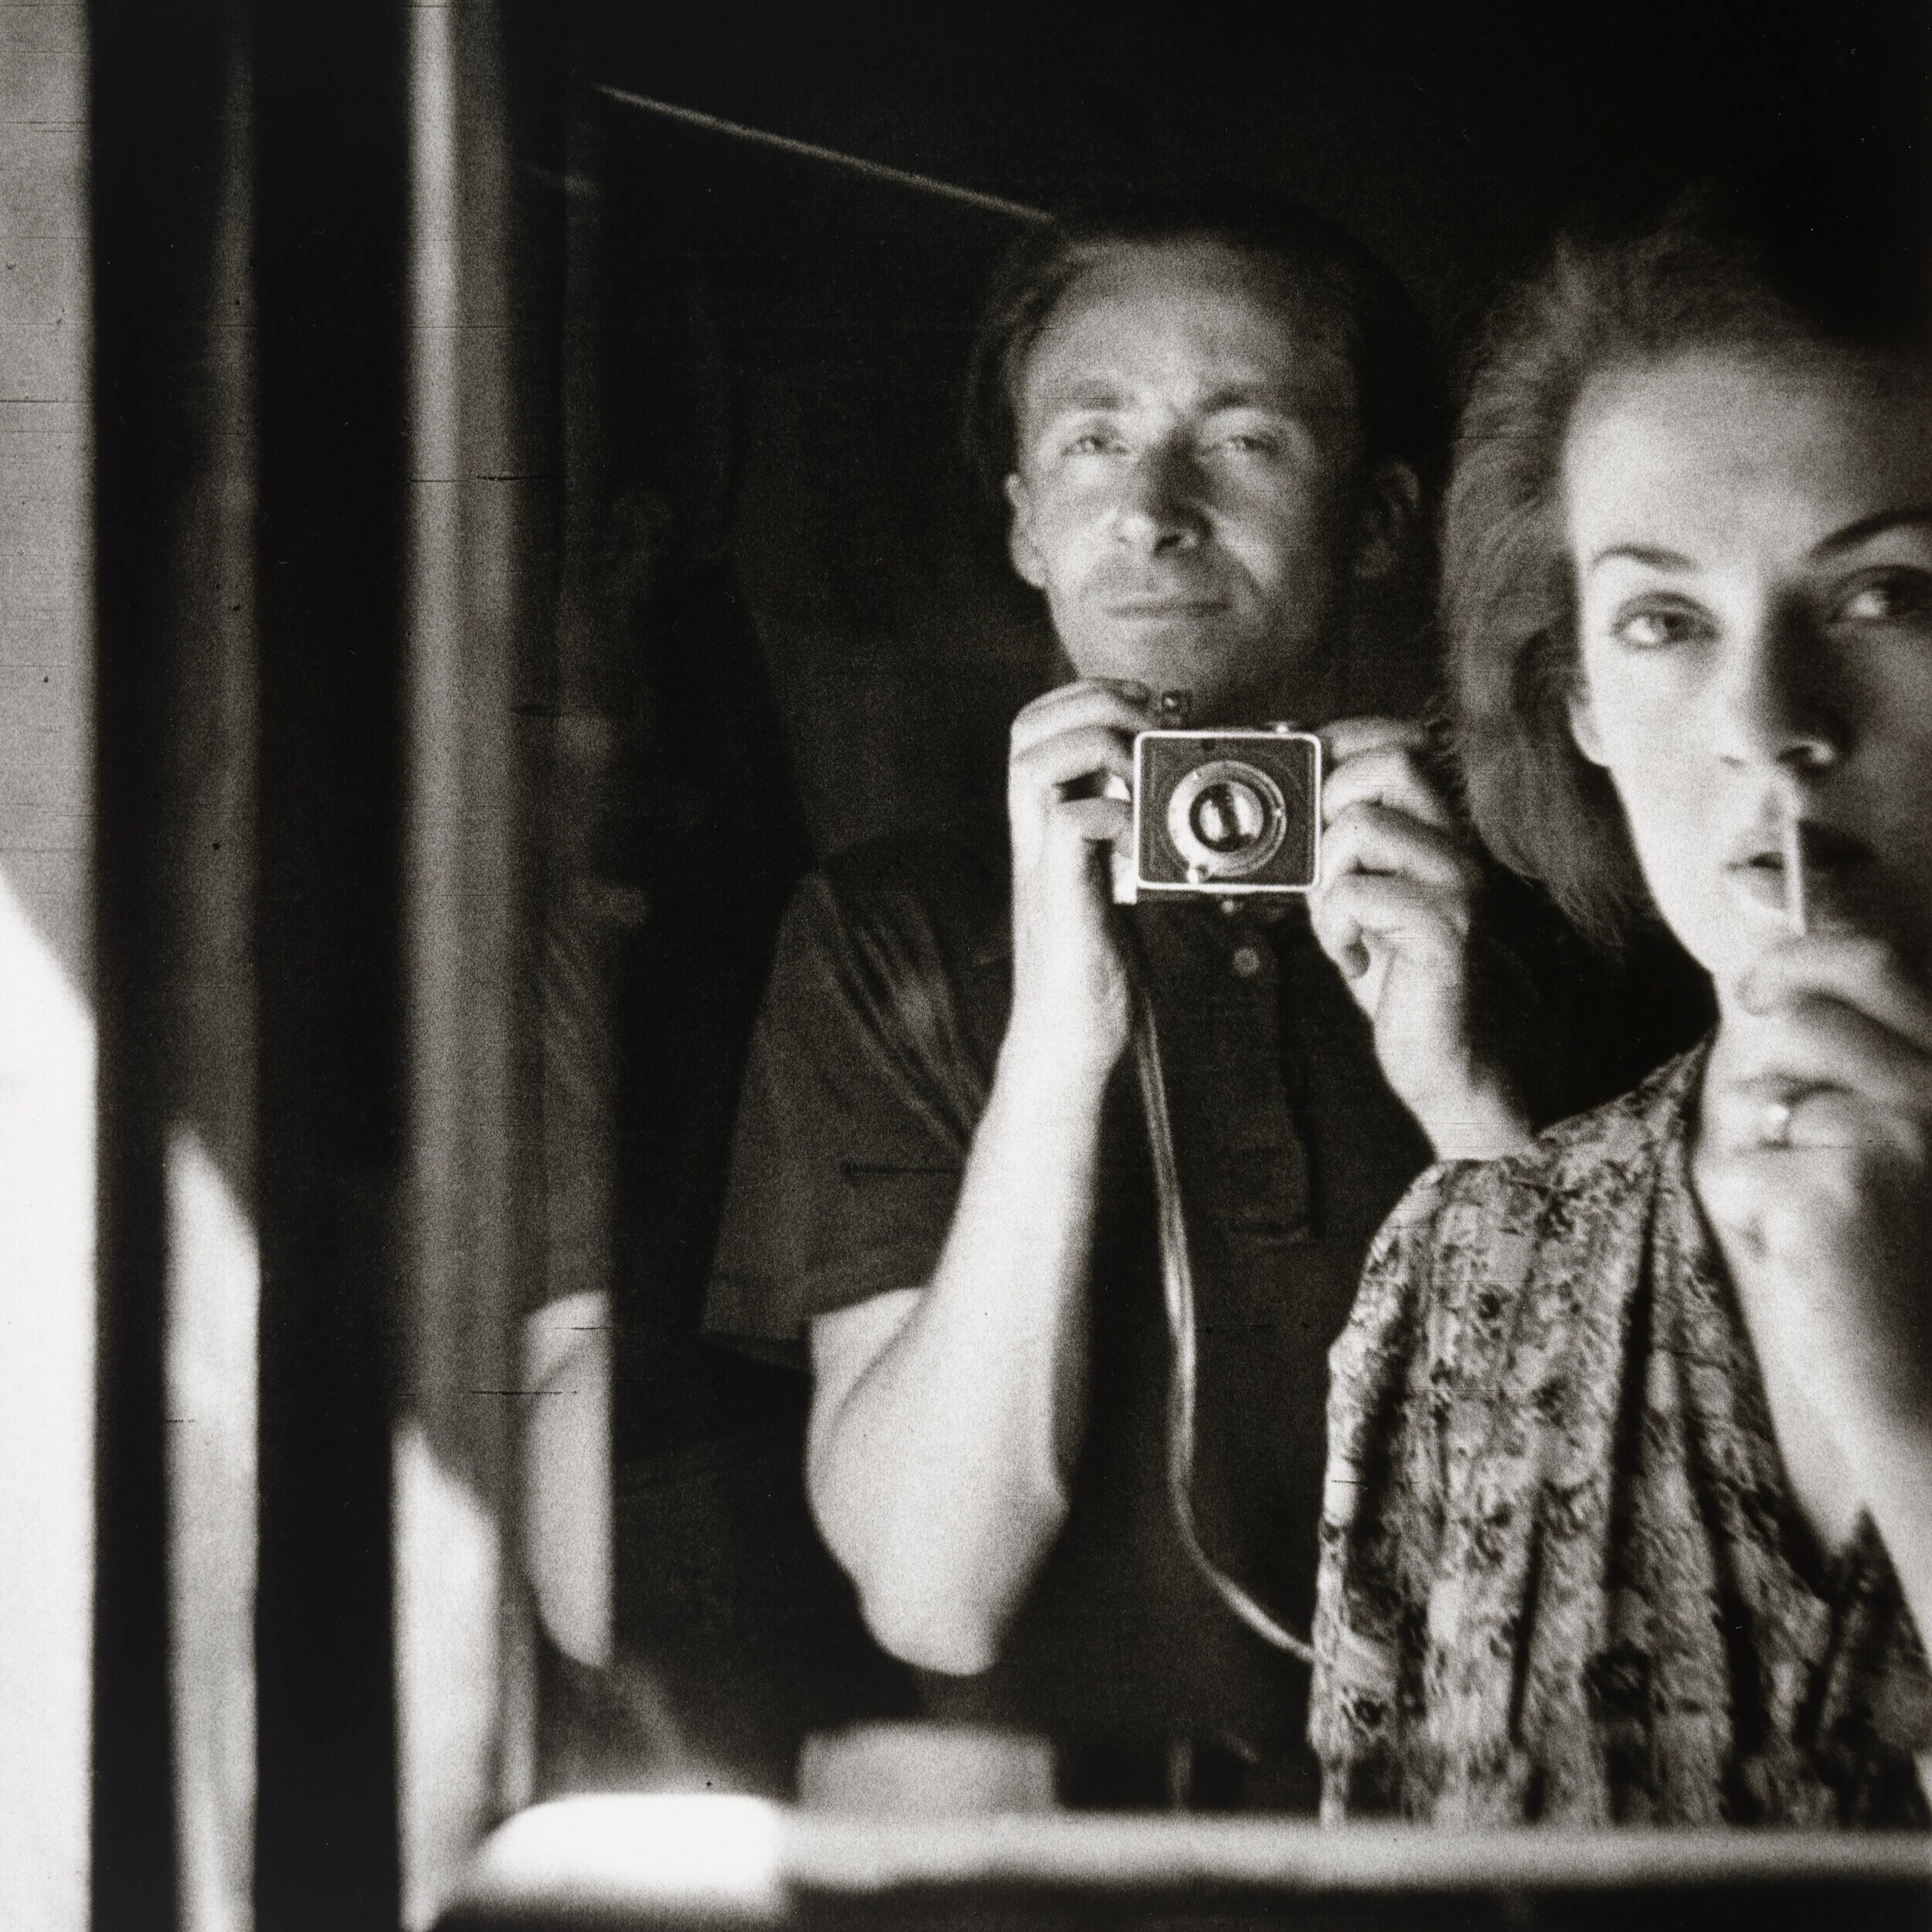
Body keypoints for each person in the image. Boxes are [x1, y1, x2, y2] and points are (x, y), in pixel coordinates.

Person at [704, 190, 1667, 1808]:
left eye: (1242, 441)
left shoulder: (1565, 896)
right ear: (1021, 521)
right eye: (1090, 443)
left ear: (1376, 517)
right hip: (1058, 1870)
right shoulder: (893, 931)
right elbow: (932, 1590)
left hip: (1486, 1850)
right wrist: (1056, 1043)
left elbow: (1675, 1542)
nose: (1149, 512)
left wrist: (1463, 1097)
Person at [1311, 199, 1932, 1826]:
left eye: (1882, 596)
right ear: (1573, 692)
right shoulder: (1462, 1272)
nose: (1766, 723)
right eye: (1662, 622)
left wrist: (1903, 1406)